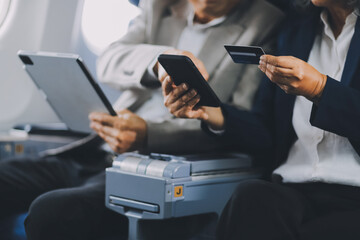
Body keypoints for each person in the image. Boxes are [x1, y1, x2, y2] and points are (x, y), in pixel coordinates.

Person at [0, 0, 284, 239]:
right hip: (99, 149)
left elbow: (241, 123)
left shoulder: (265, 22)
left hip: (153, 168)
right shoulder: (159, 5)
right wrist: (159, 61)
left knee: (52, 211)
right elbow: (108, 61)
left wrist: (148, 134)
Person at [162, 0, 360, 239]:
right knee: (251, 197)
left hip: (353, 197)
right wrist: (212, 113)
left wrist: (320, 88)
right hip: (294, 190)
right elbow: (268, 133)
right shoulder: (296, 29)